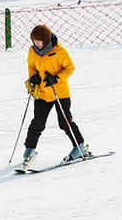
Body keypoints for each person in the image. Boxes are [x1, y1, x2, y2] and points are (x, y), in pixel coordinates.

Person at [23, 25, 88, 164]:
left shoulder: (59, 51)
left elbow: (70, 68)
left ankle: (80, 146)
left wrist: (56, 78)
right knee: (37, 123)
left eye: (39, 41)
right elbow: (31, 66)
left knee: (65, 122)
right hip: (42, 94)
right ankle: (29, 149)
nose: (36, 44)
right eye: (34, 41)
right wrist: (33, 77)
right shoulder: (32, 51)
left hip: (60, 93)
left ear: (46, 40)